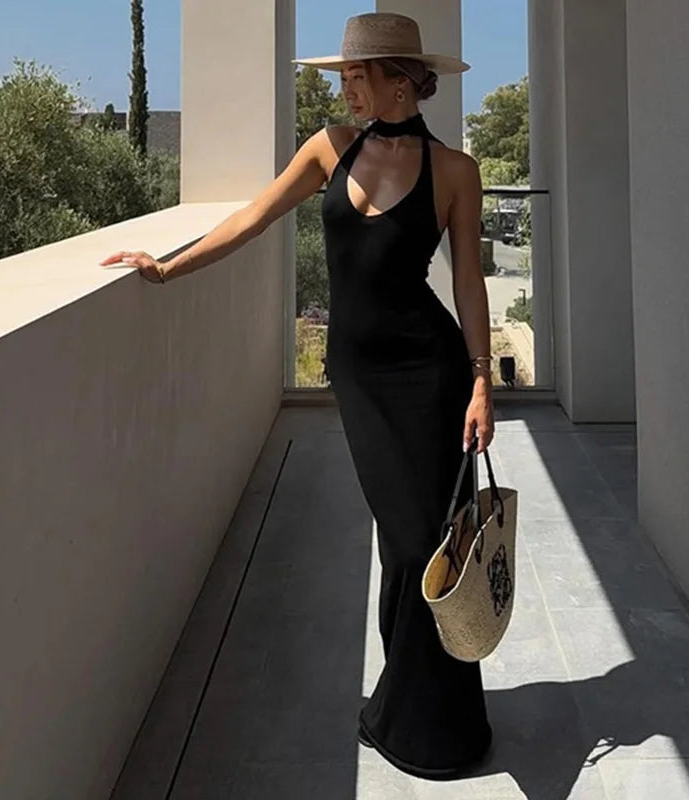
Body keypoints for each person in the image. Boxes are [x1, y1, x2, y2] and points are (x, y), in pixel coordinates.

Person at [100, 11, 496, 780]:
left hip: (432, 371)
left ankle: (431, 721)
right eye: (342, 78)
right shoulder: (328, 148)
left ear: (400, 81)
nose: (345, 90)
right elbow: (254, 217)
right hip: (361, 375)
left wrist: (482, 379)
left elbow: (471, 281)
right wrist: (169, 268)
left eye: (356, 77)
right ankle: (410, 708)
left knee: (423, 539)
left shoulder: (456, 170)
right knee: (405, 537)